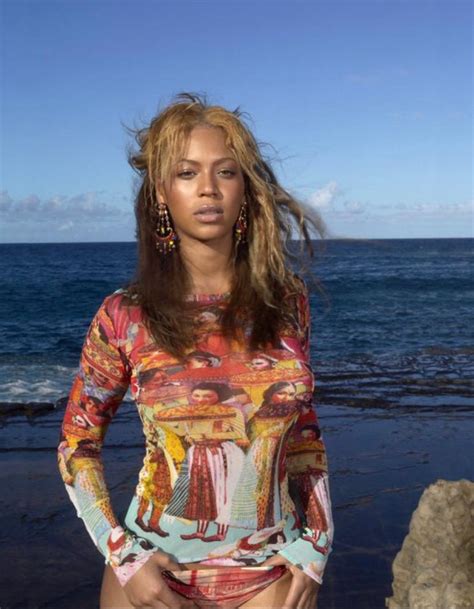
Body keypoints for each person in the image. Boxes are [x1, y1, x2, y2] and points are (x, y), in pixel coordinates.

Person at [57, 91, 334, 609]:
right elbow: (77, 444)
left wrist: (317, 543)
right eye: (187, 173)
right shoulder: (124, 315)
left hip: (272, 575)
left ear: (245, 189)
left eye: (225, 172)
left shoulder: (286, 303)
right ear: (162, 193)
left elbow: (303, 434)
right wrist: (124, 556)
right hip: (155, 578)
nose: (208, 188)